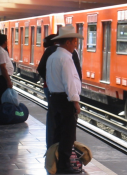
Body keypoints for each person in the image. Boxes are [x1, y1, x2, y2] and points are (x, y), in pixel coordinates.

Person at [46, 25, 83, 174]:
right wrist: (75, 101)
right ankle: (64, 165)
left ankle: (54, 161)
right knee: (68, 134)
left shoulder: (52, 56)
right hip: (65, 100)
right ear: (68, 42)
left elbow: (48, 79)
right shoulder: (66, 58)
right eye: (75, 42)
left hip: (54, 97)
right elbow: (70, 82)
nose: (76, 45)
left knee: (57, 132)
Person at [0, 34, 14, 105]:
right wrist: (8, 81)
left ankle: (0, 111)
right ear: (5, 42)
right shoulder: (0, 51)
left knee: (1, 95)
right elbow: (3, 68)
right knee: (3, 96)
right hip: (1, 77)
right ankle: (2, 112)